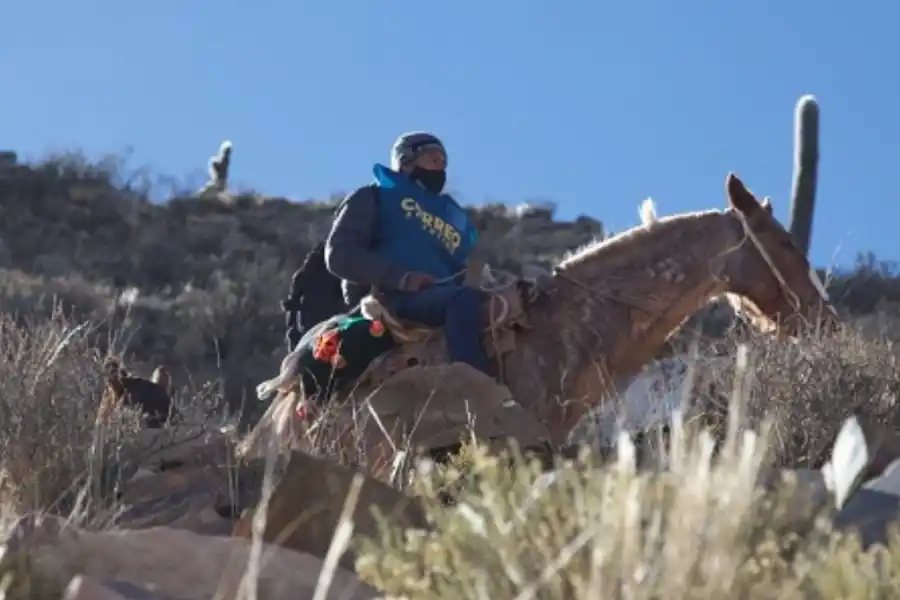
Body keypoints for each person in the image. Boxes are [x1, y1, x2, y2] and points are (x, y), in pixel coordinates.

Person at [324, 131, 490, 375]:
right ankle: (471, 381)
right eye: (434, 160)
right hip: (392, 298)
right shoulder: (373, 197)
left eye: (444, 163)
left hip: (444, 297)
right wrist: (402, 277)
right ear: (406, 163)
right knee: (462, 300)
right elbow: (340, 254)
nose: (441, 168)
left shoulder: (452, 219)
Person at [281, 241, 348, 352]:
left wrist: (292, 332)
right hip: (331, 326)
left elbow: (292, 305)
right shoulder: (338, 273)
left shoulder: (303, 274)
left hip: (308, 327)